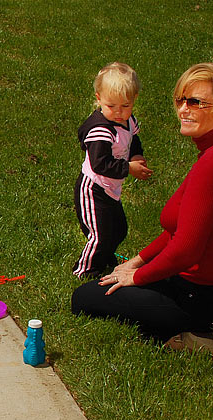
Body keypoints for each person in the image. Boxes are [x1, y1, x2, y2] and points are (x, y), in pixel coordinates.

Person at [72, 62, 213, 354]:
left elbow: (186, 250)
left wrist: (137, 277)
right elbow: (180, 229)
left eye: (196, 102)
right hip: (208, 287)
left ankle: (206, 333)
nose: (183, 109)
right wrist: (137, 261)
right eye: (181, 100)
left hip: (201, 295)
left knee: (85, 297)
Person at [73, 62, 153, 279]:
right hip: (93, 189)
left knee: (118, 229)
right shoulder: (99, 129)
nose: (119, 112)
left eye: (125, 106)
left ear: (134, 99)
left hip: (110, 189)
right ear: (98, 99)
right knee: (99, 235)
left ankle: (105, 256)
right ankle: (84, 271)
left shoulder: (128, 121)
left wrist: (136, 155)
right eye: (112, 106)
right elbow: (101, 164)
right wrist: (129, 168)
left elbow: (134, 139)